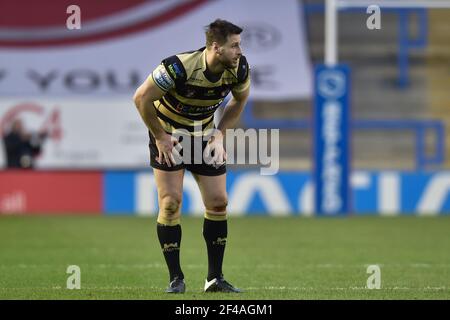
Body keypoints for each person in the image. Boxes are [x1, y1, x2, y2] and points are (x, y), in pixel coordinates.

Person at [133, 19, 250, 293]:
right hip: (169, 137)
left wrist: (220, 134)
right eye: (234, 46)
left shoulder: (239, 68)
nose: (239, 51)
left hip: (203, 135)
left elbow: (240, 100)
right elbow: (141, 98)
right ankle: (176, 278)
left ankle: (214, 279)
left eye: (240, 45)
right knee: (171, 203)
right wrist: (160, 136)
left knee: (219, 202)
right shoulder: (178, 67)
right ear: (215, 47)